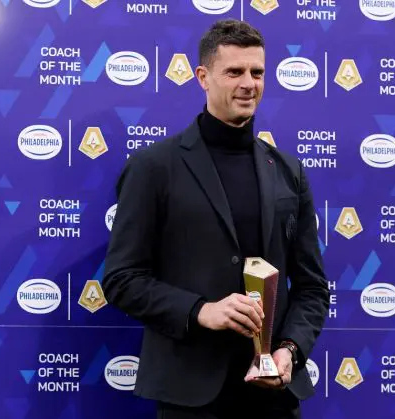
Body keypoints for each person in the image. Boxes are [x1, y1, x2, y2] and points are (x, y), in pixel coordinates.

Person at [103, 18, 329, 419]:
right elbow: (122, 280)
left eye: (257, 72)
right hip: (190, 397)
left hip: (273, 397)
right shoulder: (154, 167)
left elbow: (312, 286)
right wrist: (199, 310)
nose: (248, 83)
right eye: (234, 72)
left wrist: (289, 350)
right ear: (203, 77)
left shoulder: (288, 171)